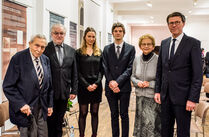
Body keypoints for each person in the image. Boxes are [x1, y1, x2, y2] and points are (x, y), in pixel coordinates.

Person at [154, 12, 203, 137]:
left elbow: (197, 74)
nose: (174, 25)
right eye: (171, 23)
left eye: (177, 22)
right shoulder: (164, 43)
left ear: (183, 24)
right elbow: (160, 70)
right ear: (168, 25)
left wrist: (192, 98)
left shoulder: (193, 43)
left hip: (184, 98)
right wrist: (157, 91)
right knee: (165, 130)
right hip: (165, 97)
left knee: (182, 132)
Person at [3, 34, 53, 137]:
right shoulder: (18, 59)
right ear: (30, 44)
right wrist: (21, 104)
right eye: (36, 45)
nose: (39, 49)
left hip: (41, 108)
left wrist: (50, 104)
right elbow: (8, 86)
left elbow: (49, 85)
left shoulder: (45, 60)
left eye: (42, 47)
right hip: (25, 109)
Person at [44, 24, 78, 137]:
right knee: (50, 121)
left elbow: (74, 72)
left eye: (61, 33)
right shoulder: (45, 49)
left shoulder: (71, 51)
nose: (59, 35)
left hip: (64, 92)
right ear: (51, 34)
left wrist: (74, 90)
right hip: (49, 93)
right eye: (56, 33)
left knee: (59, 121)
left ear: (65, 35)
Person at [103, 22, 135, 137]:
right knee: (114, 114)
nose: (118, 33)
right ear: (112, 33)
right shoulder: (106, 49)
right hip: (110, 87)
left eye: (120, 31)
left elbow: (130, 68)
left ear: (123, 33)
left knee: (124, 114)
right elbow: (105, 67)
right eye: (115, 31)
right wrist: (112, 82)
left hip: (124, 87)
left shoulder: (131, 49)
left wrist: (117, 82)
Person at [131, 34, 161, 137]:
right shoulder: (136, 59)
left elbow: (162, 80)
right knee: (140, 124)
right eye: (143, 44)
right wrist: (137, 82)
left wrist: (150, 84)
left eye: (149, 44)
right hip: (139, 97)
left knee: (150, 124)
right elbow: (133, 76)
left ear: (153, 46)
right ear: (140, 46)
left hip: (152, 98)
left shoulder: (158, 60)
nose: (146, 46)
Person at [76, 27, 103, 137]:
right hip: (83, 86)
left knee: (95, 112)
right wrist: (87, 85)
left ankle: (94, 135)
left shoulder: (99, 52)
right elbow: (77, 72)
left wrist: (96, 83)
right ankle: (81, 135)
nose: (91, 38)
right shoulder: (78, 52)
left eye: (93, 36)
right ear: (85, 37)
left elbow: (102, 71)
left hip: (96, 86)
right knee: (83, 113)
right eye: (89, 36)